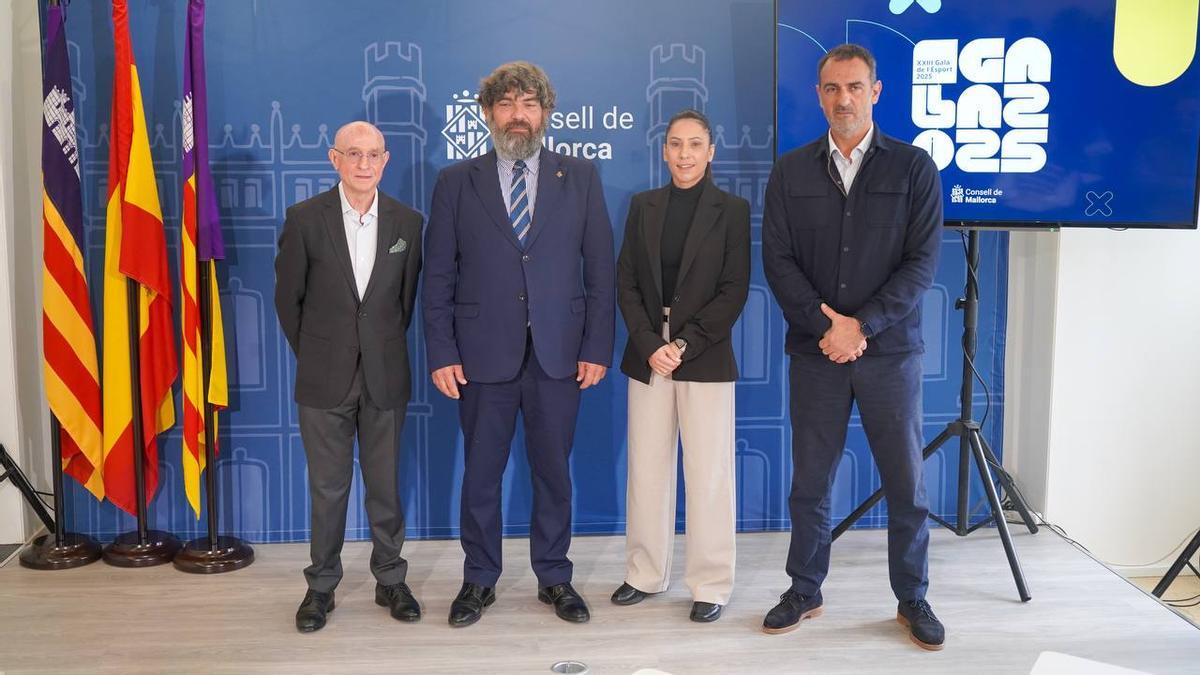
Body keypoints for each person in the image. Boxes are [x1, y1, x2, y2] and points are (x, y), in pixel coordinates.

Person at [761, 43, 946, 650]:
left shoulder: (914, 168)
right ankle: (804, 589)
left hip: (890, 355)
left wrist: (860, 327)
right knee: (810, 483)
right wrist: (828, 329)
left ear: (876, 92)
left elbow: (921, 265)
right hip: (816, 354)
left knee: (906, 485)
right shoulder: (790, 171)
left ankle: (912, 597)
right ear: (819, 96)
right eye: (833, 88)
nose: (844, 99)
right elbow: (778, 261)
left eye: (855, 87)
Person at [422, 61, 615, 627]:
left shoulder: (581, 177)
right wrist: (442, 352)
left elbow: (601, 271)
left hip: (560, 354)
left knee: (553, 473)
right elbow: (438, 277)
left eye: (529, 104)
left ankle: (554, 576)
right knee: (481, 475)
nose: (518, 115)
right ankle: (479, 579)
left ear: (546, 113)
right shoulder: (456, 182)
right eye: (506, 104)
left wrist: (596, 346)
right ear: (488, 113)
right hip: (481, 355)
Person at [274, 121, 424, 633]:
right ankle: (321, 587)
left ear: (386, 160)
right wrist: (320, 354)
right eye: (353, 153)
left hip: (385, 375)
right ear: (334, 158)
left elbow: (404, 304)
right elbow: (288, 301)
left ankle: (390, 579)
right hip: (323, 379)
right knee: (327, 489)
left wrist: (374, 349)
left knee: (385, 486)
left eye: (373, 154)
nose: (364, 163)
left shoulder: (408, 222)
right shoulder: (304, 219)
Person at [611, 109, 749, 623]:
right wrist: (652, 344)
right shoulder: (642, 206)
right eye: (675, 144)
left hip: (704, 352)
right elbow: (626, 282)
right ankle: (645, 574)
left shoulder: (731, 210)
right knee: (646, 469)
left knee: (709, 473)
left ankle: (710, 584)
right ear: (664, 150)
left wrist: (684, 344)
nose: (684, 154)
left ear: (710, 152)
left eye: (694, 144)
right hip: (649, 353)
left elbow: (733, 289)